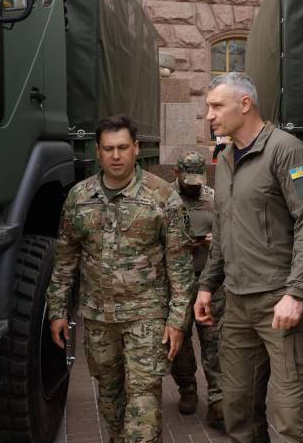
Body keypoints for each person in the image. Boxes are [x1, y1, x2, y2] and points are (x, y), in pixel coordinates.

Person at [195, 73, 303, 443]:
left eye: (216, 105)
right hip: (237, 304)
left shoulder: (287, 152)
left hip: (280, 301)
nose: (209, 115)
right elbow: (223, 227)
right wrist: (207, 285)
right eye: (208, 107)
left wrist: (297, 292)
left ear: (245, 104)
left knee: (294, 421)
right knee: (238, 412)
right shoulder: (225, 159)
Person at [47, 114, 195, 443]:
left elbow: (180, 266)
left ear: (136, 148)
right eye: (109, 148)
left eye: (123, 147)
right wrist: (57, 310)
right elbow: (65, 258)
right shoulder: (79, 197)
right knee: (110, 400)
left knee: (143, 403)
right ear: (98, 151)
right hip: (98, 318)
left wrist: (177, 320)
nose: (116, 155)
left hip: (147, 317)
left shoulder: (161, 197)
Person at [169, 150, 225, 430]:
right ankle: (187, 388)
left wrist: (218, 240)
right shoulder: (164, 200)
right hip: (175, 283)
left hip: (209, 281)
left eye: (197, 181)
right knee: (178, 344)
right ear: (176, 174)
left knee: (215, 342)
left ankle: (218, 401)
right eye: (187, 180)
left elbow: (231, 233)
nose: (193, 187)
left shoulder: (214, 199)